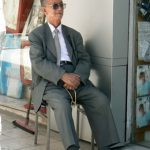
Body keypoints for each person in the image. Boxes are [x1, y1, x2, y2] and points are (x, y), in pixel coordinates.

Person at [29, 0, 119, 149]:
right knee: (62, 105)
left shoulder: (74, 34)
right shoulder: (37, 35)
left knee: (100, 99)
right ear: (44, 11)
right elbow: (39, 63)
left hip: (77, 80)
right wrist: (63, 76)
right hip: (51, 83)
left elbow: (85, 59)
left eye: (61, 5)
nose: (59, 9)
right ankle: (72, 147)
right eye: (55, 6)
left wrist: (77, 77)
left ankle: (107, 146)